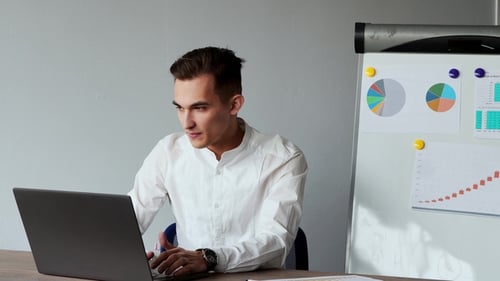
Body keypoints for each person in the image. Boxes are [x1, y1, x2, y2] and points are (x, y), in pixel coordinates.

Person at [128, 46, 308, 277]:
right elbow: (129, 219)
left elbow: (276, 242)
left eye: (199, 108)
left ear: (234, 105)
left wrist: (209, 258)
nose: (186, 122)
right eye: (180, 108)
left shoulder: (283, 158)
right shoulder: (168, 151)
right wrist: (122, 254)